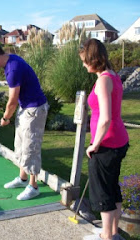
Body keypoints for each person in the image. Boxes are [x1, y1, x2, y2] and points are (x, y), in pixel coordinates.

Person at [0, 43, 48, 201]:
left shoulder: (13, 68)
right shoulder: (11, 60)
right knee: (20, 144)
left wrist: (5, 118)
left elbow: (12, 101)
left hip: (35, 109)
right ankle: (23, 178)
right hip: (26, 108)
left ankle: (33, 186)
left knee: (30, 146)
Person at [79, 39, 129, 240]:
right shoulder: (113, 75)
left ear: (93, 59)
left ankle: (106, 236)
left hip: (107, 143)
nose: (83, 65)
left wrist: (95, 144)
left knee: (102, 192)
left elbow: (106, 118)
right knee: (112, 187)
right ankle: (113, 233)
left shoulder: (103, 81)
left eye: (84, 60)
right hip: (119, 140)